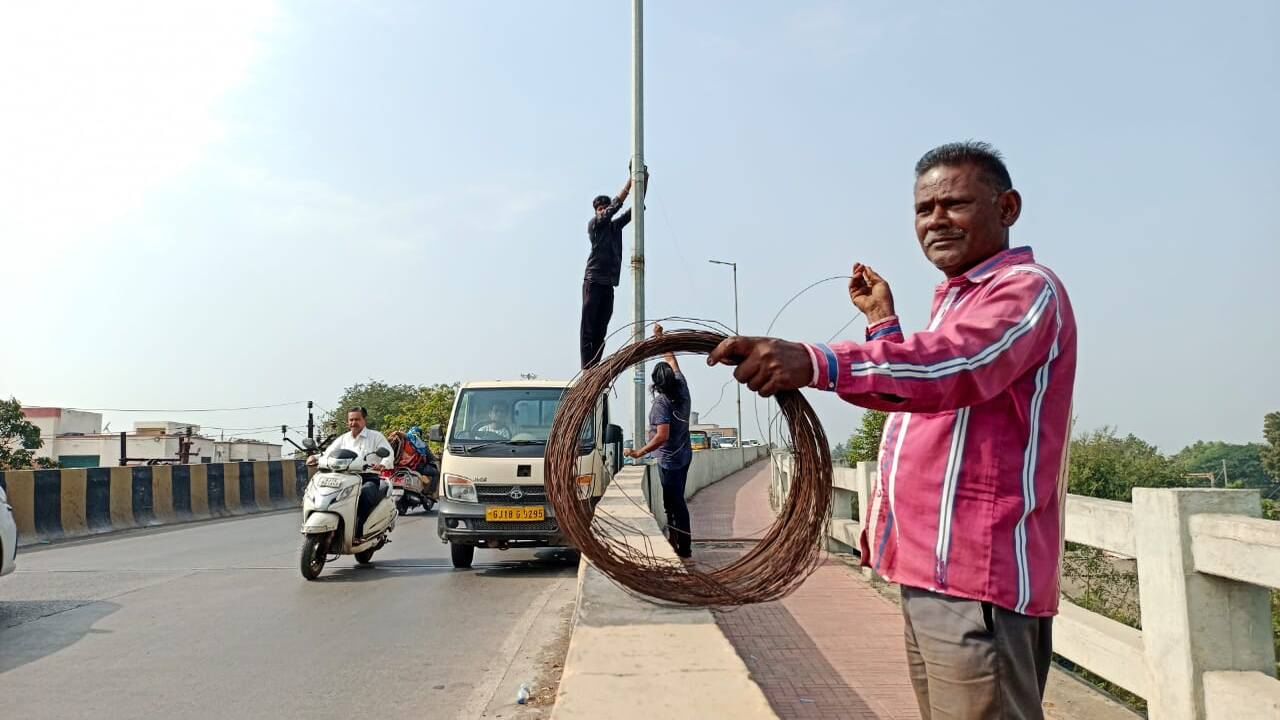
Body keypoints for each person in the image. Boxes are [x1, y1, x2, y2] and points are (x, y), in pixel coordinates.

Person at [708, 141, 1077, 720]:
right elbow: (920, 389)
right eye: (923, 209)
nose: (935, 221)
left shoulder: (1027, 290)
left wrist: (816, 361)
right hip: (928, 571)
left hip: (976, 583)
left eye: (954, 203)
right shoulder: (960, 303)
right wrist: (884, 322)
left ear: (1007, 208)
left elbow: (955, 367)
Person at [625, 325, 694, 558]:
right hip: (684, 455)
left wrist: (639, 452)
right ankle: (678, 542)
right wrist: (661, 339)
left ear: (656, 384)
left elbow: (662, 436)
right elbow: (673, 360)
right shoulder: (682, 386)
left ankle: (682, 547)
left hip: (670, 461)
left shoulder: (661, 404)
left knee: (673, 504)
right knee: (677, 502)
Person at [580, 166, 650, 369]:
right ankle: (586, 367)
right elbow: (616, 207)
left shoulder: (614, 227)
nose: (603, 211)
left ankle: (595, 366)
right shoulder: (595, 225)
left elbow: (635, 209)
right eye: (600, 209)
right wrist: (630, 182)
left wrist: (642, 183)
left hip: (608, 284)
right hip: (593, 281)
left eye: (604, 207)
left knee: (602, 327)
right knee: (588, 328)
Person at [321, 407, 394, 539]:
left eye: (357, 419)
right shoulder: (343, 439)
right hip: (344, 478)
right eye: (351, 420)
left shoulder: (375, 437)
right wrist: (315, 458)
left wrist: (383, 464)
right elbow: (328, 453)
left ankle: (359, 530)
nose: (353, 423)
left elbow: (388, 453)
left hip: (368, 477)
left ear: (364, 420)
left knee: (365, 493)